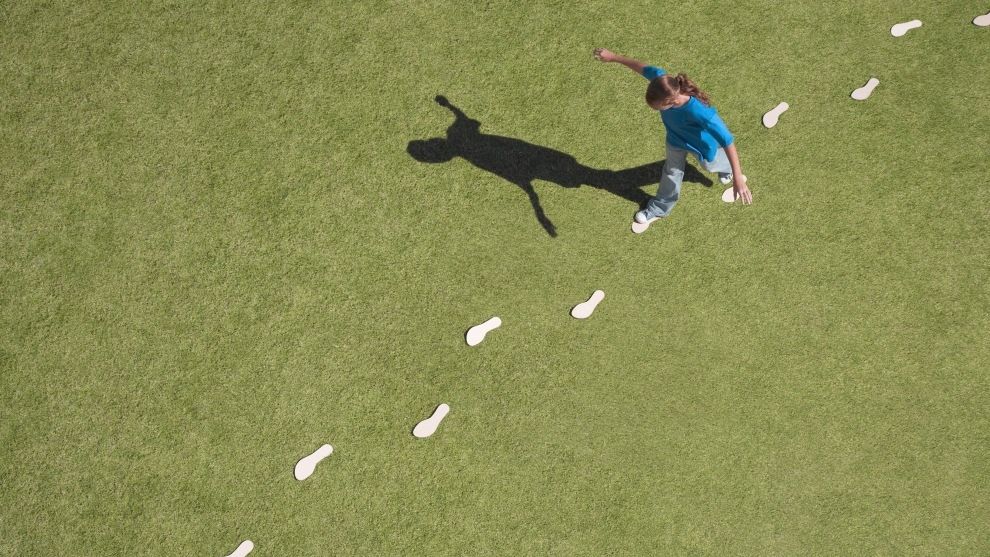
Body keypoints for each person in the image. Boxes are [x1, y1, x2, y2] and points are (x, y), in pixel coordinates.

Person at [594, 48, 752, 224]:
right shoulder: (664, 83)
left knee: (710, 165)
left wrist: (738, 177)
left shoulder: (701, 113)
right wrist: (613, 57)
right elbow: (641, 67)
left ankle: (728, 169)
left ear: (670, 102)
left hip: (701, 145)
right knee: (672, 171)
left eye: (657, 107)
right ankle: (660, 208)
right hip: (675, 140)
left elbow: (728, 141)